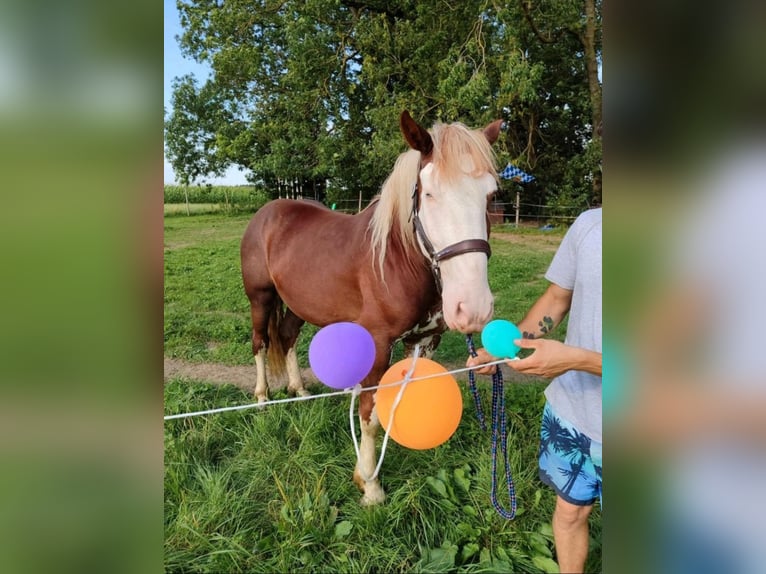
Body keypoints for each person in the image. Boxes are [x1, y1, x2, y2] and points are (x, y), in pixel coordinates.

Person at [467, 207, 602, 574]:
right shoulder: (591, 224)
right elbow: (558, 299)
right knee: (570, 511)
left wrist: (575, 359)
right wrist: (506, 346)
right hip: (573, 416)